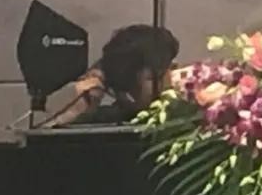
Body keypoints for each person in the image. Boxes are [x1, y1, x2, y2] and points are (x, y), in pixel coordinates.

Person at [43, 24, 180, 127]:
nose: (168, 82)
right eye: (156, 77)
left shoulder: (184, 118)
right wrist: (78, 106)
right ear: (127, 85)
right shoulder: (104, 122)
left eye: (171, 69)